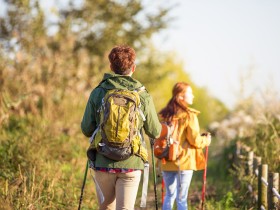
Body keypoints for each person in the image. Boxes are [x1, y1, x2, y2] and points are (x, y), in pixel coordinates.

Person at [81, 45, 162, 210]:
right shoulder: (142, 95)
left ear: (111, 67)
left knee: (106, 208)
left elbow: (86, 129)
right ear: (134, 67)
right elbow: (155, 131)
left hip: (102, 161)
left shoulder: (99, 92)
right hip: (131, 161)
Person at [158, 82, 211, 210]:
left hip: (167, 159)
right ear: (181, 96)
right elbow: (194, 140)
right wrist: (206, 140)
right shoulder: (189, 115)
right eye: (190, 93)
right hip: (185, 161)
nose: (192, 96)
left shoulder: (164, 115)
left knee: (169, 196)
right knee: (181, 199)